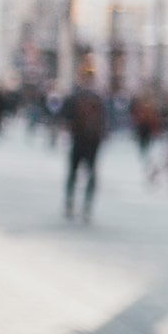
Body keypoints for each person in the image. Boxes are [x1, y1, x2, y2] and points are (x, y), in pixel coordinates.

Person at [61, 67, 109, 222]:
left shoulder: (76, 96)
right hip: (93, 142)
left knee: (73, 173)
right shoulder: (98, 98)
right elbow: (106, 121)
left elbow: (65, 117)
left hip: (79, 140)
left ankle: (70, 203)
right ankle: (86, 206)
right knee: (91, 174)